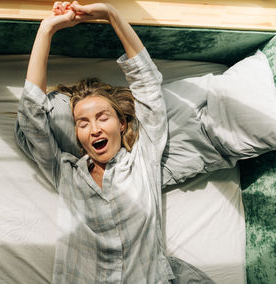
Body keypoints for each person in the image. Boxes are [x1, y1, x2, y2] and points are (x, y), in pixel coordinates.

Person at [15, 1, 214, 283]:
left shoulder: (143, 158)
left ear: (121, 124)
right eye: (83, 123)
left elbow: (147, 84)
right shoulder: (65, 172)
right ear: (78, 135)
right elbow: (31, 118)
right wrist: (46, 29)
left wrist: (111, 15)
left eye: (102, 117)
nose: (94, 129)